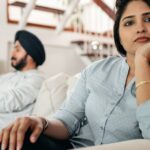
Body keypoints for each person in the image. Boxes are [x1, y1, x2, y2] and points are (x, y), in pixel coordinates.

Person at [0, 0, 150, 150]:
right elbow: (67, 121)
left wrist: (142, 63)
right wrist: (40, 121)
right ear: (119, 34)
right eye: (129, 23)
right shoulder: (96, 70)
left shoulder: (34, 79)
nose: (140, 28)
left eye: (148, 19)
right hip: (68, 146)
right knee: (14, 141)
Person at [0, 30, 45, 130]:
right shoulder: (9, 75)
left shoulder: (37, 79)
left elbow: (13, 99)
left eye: (17, 50)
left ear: (31, 55)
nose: (12, 53)